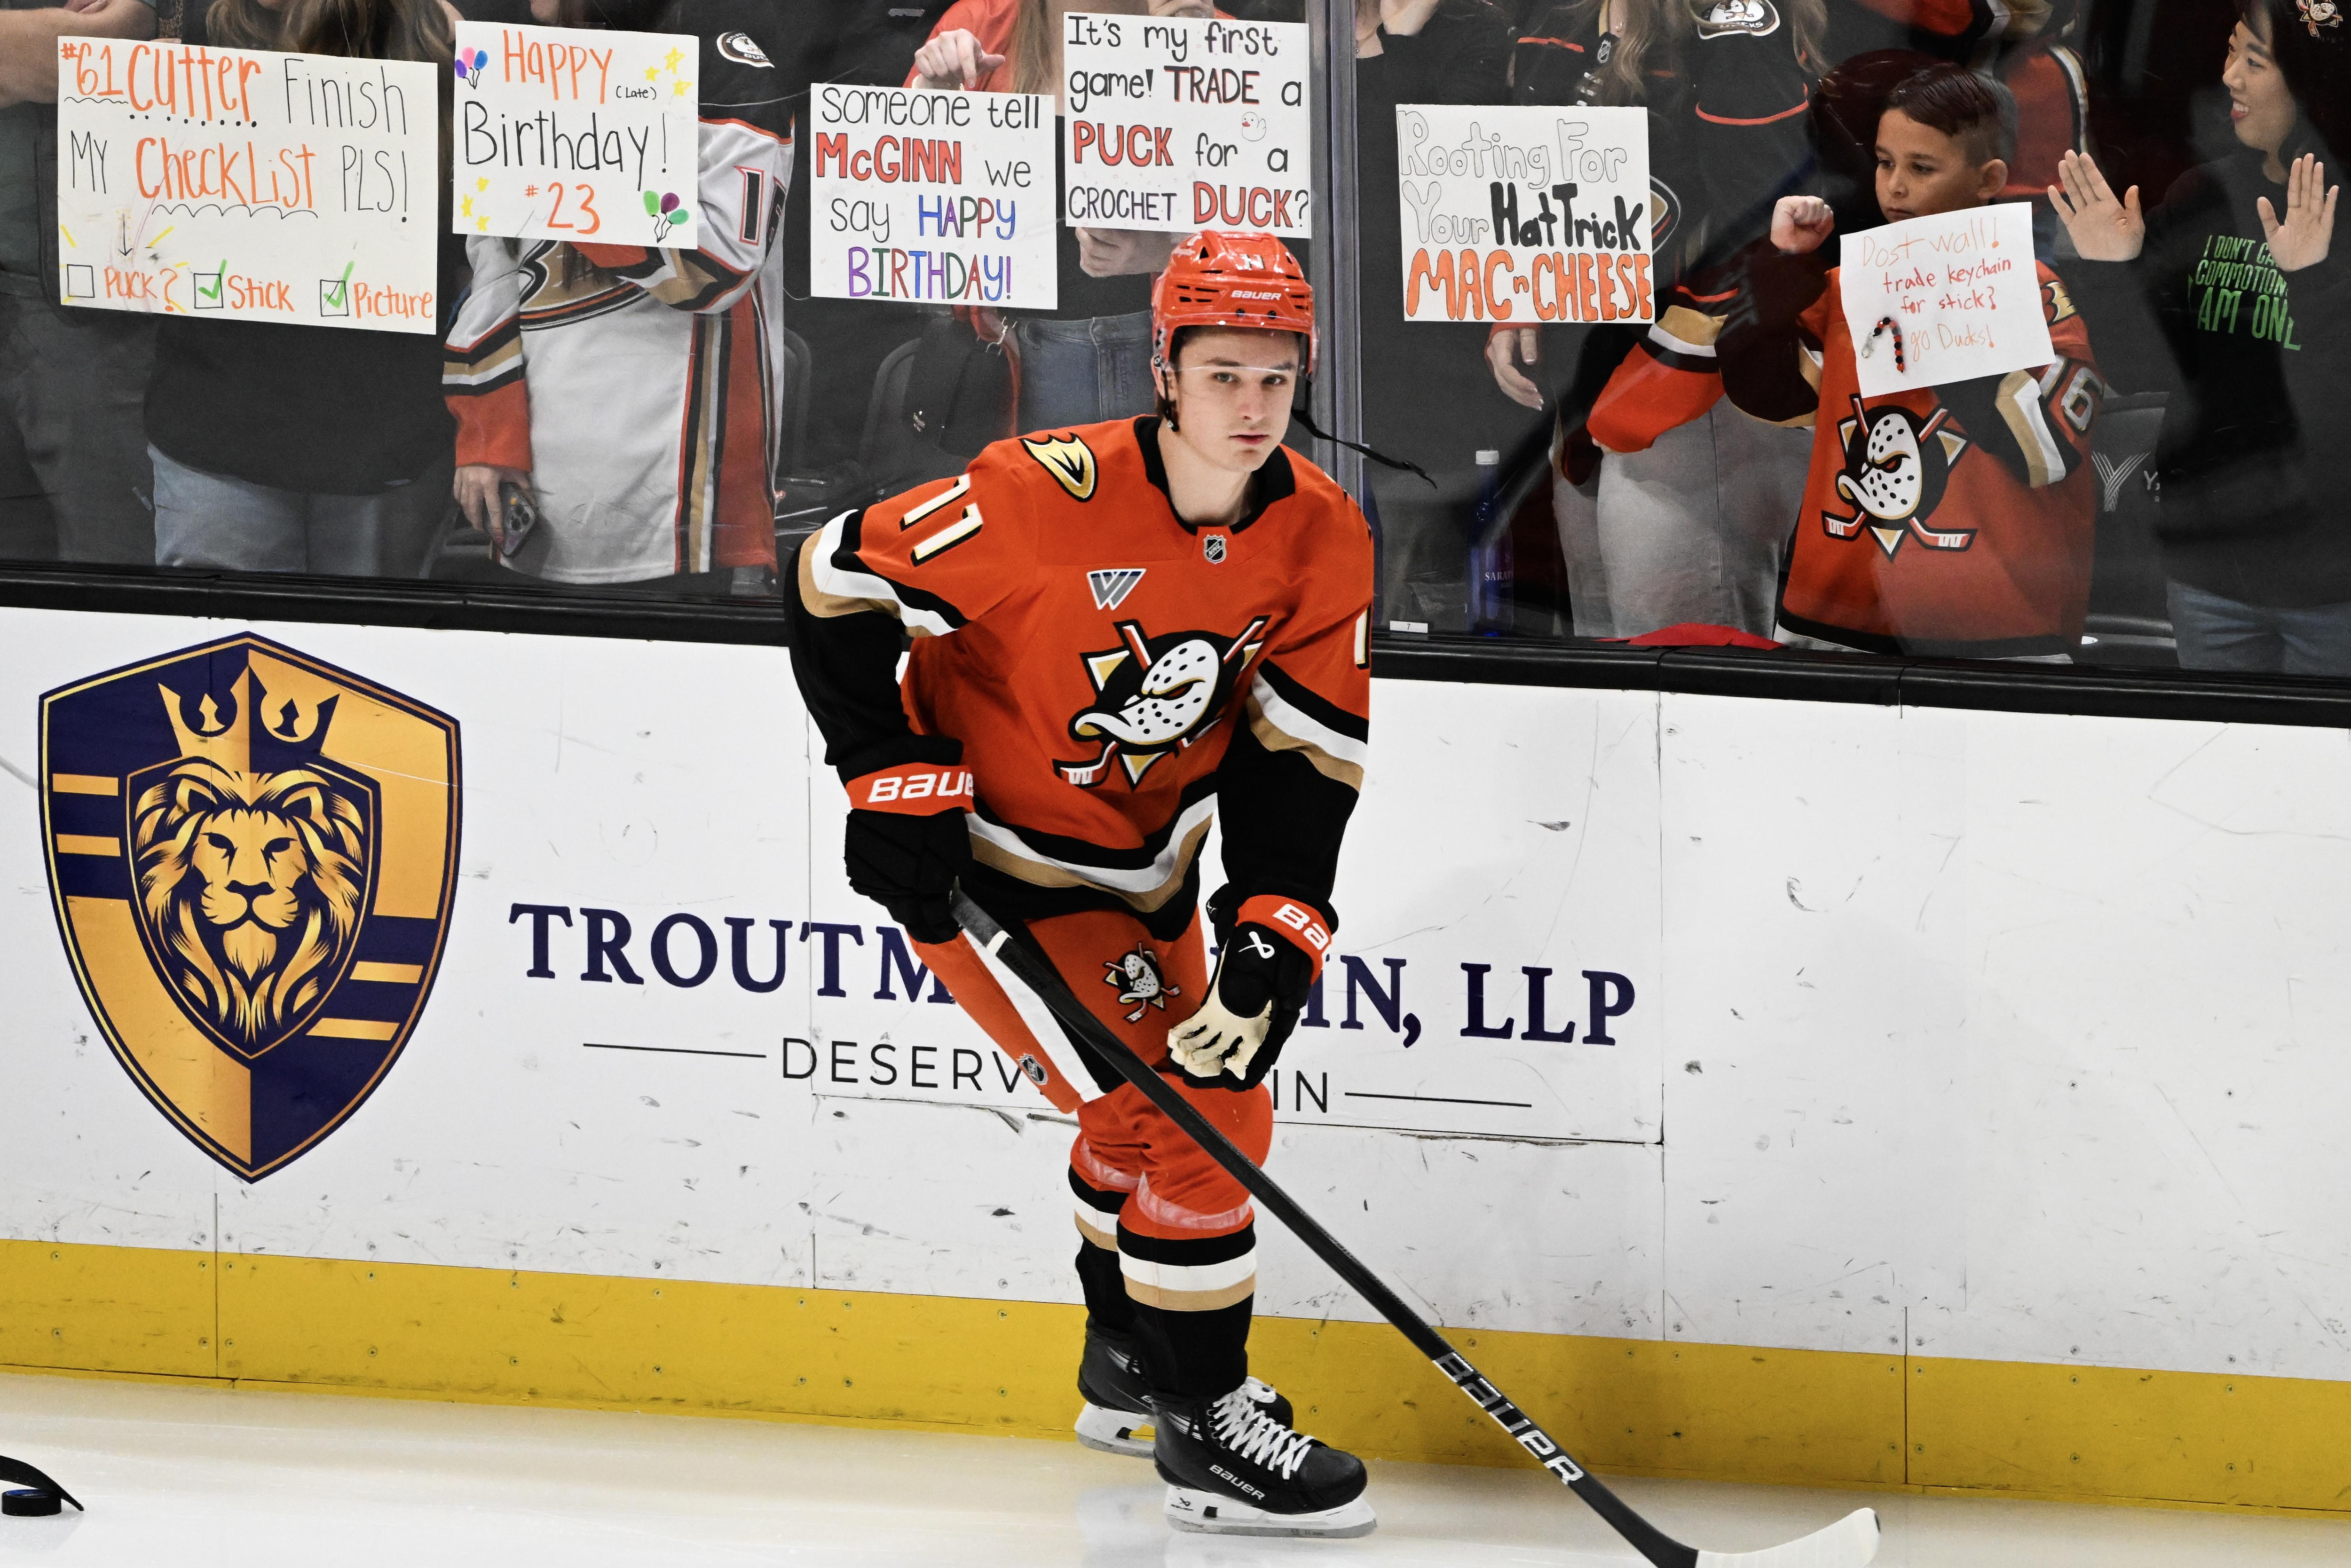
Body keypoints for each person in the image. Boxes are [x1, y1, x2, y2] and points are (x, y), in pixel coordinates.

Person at [787, 232, 1377, 1539]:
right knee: (1204, 1118)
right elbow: (828, 578)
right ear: (1164, 365)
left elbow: (1303, 745)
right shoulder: (1035, 495)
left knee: (1131, 1121)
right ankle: (1204, 1420)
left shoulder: (1323, 534)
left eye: (1277, 379)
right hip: (999, 866)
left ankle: (1129, 1360)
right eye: (1222, 373)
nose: (1251, 408)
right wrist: (883, 769)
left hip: (1151, 861)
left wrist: (1279, 922)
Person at [1721, 63, 2104, 656]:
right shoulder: (1845, 286)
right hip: (1836, 617)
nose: (1894, 186)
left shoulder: (2039, 295)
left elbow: (2046, 454)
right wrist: (1778, 271)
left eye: (1920, 168)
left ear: (1989, 179)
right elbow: (1764, 397)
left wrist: (1950, 318)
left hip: (1999, 631)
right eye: (1883, 162)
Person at [1485, 0, 1818, 639]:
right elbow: (1523, 189)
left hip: (1691, 391)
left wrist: (1684, 348)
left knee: (1683, 664)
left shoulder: (1733, 30)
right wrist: (1513, 290)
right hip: (1583, 383)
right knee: (1608, 653)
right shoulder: (1560, 23)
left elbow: (1766, 225)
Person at [444, 0, 801, 590]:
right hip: (535, 479)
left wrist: (564, 179)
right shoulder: (518, 64)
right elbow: (492, 269)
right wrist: (487, 431)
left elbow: (719, 268)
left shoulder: (726, 61)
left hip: (679, 508)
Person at [2050, 0, 2348, 675]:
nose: (2229, 78)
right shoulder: (2203, 197)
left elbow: (2334, 404)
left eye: (2255, 60)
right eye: (2230, 53)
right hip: (2211, 573)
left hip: (2335, 584)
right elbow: (2139, 368)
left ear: (2315, 77)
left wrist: (2311, 281)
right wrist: (2109, 274)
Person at [144, 0, 460, 577]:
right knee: (229, 658)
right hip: (218, 436)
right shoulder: (191, 32)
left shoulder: (438, 38)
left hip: (385, 441)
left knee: (367, 661)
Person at [907, 0, 1207, 434]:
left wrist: (1173, 250)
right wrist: (932, 92)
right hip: (1020, 351)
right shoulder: (980, 24)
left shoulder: (1205, 30)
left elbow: (1271, 226)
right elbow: (901, 192)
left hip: (1176, 346)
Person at [0, 0, 159, 565]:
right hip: (58, 293)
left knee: (115, 577)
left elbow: (103, 42)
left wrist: (41, 50)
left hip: (89, 307)